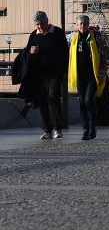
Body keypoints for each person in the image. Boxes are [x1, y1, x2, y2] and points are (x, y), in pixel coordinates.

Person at [22, 11, 68, 139]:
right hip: (39, 74)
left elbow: (65, 53)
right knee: (42, 100)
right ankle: (47, 130)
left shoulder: (57, 32)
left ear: (47, 21)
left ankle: (58, 129)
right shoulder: (33, 35)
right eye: (37, 24)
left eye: (41, 24)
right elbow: (26, 52)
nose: (39, 27)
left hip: (55, 73)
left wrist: (65, 71)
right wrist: (30, 51)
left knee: (53, 96)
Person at [67, 15, 107, 140]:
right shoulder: (74, 38)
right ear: (77, 25)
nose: (82, 26)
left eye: (84, 24)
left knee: (88, 100)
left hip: (92, 75)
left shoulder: (95, 36)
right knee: (82, 102)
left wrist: (102, 73)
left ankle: (92, 126)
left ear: (88, 24)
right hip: (79, 75)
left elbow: (102, 54)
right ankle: (85, 129)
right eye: (80, 24)